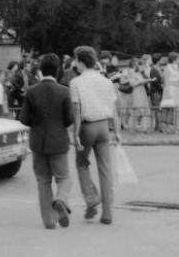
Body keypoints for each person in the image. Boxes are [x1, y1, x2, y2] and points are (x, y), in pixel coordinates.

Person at [19, 53, 74, 230]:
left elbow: (24, 119)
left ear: (40, 70)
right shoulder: (64, 91)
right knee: (64, 177)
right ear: (57, 70)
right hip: (59, 141)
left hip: (38, 142)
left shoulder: (31, 91)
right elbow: (69, 119)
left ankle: (49, 221)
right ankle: (61, 199)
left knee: (43, 181)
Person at [70, 46, 121, 225]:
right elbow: (113, 108)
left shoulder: (76, 82)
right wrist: (117, 130)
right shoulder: (106, 81)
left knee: (82, 163)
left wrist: (75, 134)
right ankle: (107, 213)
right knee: (106, 169)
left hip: (87, 126)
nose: (75, 64)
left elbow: (77, 110)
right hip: (104, 126)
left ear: (81, 62)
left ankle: (91, 199)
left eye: (76, 60)